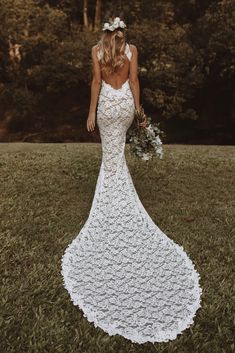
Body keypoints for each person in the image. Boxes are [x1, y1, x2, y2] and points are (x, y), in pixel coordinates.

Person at [61, 17, 202, 344]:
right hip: (123, 105)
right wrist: (138, 112)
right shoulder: (132, 49)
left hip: (107, 107)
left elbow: (95, 83)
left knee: (110, 157)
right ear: (121, 34)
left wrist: (91, 111)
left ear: (105, 34)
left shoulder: (96, 51)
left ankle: (111, 202)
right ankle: (116, 197)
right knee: (115, 156)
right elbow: (135, 80)